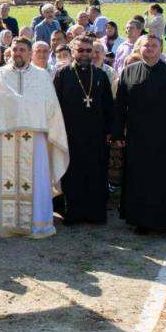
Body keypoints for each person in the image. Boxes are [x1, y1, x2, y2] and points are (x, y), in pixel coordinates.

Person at [0, 37, 69, 238]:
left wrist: (53, 135)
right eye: (14, 50)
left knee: (37, 180)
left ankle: (37, 225)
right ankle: (3, 225)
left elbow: (52, 111)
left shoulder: (41, 76)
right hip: (4, 139)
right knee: (3, 181)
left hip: (36, 140)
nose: (17, 53)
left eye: (22, 50)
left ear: (30, 53)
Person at [112, 34, 166, 234]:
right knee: (141, 179)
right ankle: (142, 220)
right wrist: (118, 133)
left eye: (154, 45)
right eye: (146, 45)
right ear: (140, 48)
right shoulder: (129, 72)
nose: (150, 48)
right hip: (140, 137)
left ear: (161, 48)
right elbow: (120, 105)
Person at [52, 37, 114, 225]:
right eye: (81, 50)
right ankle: (74, 213)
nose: (86, 54)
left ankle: (95, 213)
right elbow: (55, 106)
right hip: (70, 134)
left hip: (96, 135)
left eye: (89, 50)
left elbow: (109, 106)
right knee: (73, 175)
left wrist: (111, 131)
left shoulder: (101, 76)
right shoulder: (62, 75)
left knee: (96, 174)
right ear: (73, 51)